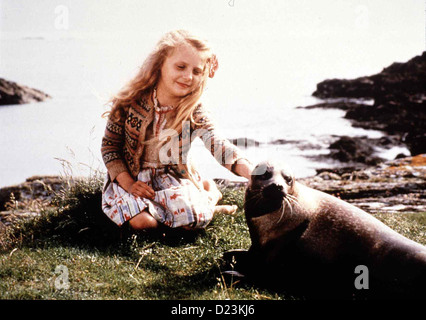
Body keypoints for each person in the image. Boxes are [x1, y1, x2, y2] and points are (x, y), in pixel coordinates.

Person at [101, 30, 253, 232]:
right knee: (143, 224)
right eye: (180, 67)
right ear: (160, 65)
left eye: (197, 71)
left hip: (172, 179)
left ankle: (208, 195)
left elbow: (219, 146)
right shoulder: (129, 102)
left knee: (188, 224)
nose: (188, 76)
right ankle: (209, 197)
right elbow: (109, 148)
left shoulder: (194, 110)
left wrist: (253, 174)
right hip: (132, 179)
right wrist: (128, 184)